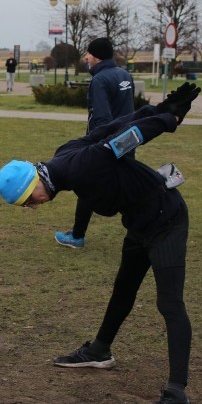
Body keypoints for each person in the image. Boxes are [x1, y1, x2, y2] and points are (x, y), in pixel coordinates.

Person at [0, 82, 202, 404]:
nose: (33, 207)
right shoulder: (63, 159)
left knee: (170, 304)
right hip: (140, 221)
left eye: (29, 201)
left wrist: (170, 116)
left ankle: (177, 395)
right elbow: (110, 127)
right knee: (123, 289)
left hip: (165, 218)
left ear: (34, 185)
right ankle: (98, 351)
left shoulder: (80, 166)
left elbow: (127, 137)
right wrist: (160, 105)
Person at [54, 38, 135, 249]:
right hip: (128, 138)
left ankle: (77, 236)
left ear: (97, 56)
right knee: (126, 183)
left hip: (107, 142)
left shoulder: (100, 80)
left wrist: (98, 146)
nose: (85, 58)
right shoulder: (124, 74)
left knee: (87, 183)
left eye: (88, 54)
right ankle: (144, 229)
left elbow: (101, 118)